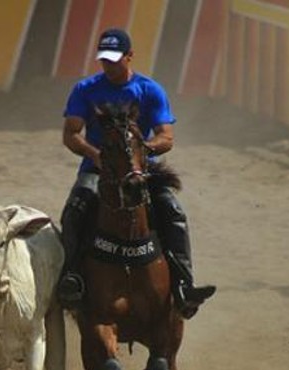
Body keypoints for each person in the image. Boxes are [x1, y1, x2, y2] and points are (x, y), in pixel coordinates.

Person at [56, 28, 216, 318]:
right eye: (104, 59)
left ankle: (183, 285)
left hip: (141, 168)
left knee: (173, 210)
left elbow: (166, 137)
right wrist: (96, 155)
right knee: (75, 210)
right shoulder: (85, 89)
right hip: (98, 168)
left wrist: (140, 152)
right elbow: (71, 133)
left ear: (129, 56)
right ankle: (72, 277)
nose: (108, 65)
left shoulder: (149, 90)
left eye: (115, 59)